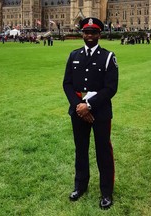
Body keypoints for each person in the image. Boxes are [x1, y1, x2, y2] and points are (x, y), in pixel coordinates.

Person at [63, 17, 119, 210]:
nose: (89, 36)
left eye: (93, 32)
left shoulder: (108, 57)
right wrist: (79, 106)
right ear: (82, 34)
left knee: (103, 151)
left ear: (99, 34)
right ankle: (80, 186)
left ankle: (106, 192)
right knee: (81, 150)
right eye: (86, 32)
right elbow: (67, 84)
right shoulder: (74, 55)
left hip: (100, 112)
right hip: (78, 112)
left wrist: (89, 105)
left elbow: (111, 88)